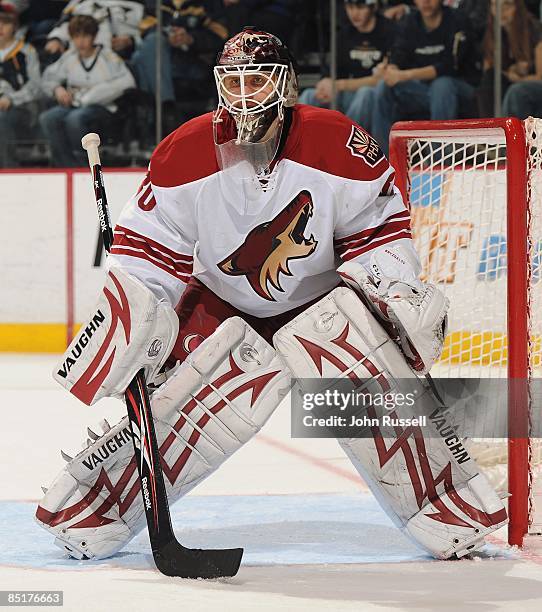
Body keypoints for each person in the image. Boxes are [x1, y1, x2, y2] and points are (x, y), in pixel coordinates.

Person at [36, 27, 507, 564]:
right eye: (231, 82)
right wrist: (135, 317)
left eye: (256, 80)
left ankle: (447, 506)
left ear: (285, 86)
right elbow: (148, 249)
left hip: (320, 306)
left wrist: (391, 286)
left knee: (370, 380)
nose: (243, 95)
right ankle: (89, 510)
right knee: (175, 414)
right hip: (218, 303)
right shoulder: (184, 151)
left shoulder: (337, 140)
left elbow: (379, 228)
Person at [371, 0, 478, 154]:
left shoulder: (457, 20)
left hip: (460, 89)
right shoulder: (409, 22)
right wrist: (391, 69)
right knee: (384, 86)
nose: (426, 2)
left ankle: (439, 162)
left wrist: (405, 75)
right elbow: (398, 54)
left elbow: (450, 66)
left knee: (442, 85)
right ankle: (384, 162)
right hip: (422, 91)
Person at [39, 14, 135, 167]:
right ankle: (67, 165)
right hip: (74, 106)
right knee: (49, 118)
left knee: (75, 119)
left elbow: (127, 81)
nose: (81, 42)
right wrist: (58, 89)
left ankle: (86, 164)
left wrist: (93, 95)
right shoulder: (69, 58)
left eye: (85, 36)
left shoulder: (107, 57)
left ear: (94, 36)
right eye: (76, 37)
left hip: (103, 109)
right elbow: (47, 79)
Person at [299, 0, 395, 132]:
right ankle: (303, 146)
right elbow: (330, 74)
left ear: (373, 7)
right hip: (347, 95)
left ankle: (346, 143)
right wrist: (325, 85)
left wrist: (338, 85)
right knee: (309, 95)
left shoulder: (389, 31)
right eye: (350, 7)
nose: (354, 13)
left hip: (375, 98)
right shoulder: (343, 34)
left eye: (360, 7)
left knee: (366, 93)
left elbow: (382, 79)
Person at [477, 0, 542, 119]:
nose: (500, 10)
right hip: (511, 82)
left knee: (517, 91)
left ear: (518, 6)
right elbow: (488, 69)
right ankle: (491, 130)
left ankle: (512, 134)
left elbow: (540, 77)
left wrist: (519, 79)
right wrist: (511, 73)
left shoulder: (535, 29)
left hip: (532, 85)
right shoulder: (492, 33)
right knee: (489, 79)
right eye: (495, 5)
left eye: (507, 4)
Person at [0, 7, 40, 167]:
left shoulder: (26, 51)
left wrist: (12, 99)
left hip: (23, 108)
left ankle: (8, 168)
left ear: (14, 26)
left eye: (5, 23)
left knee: (1, 120)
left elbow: (36, 86)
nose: (0, 28)